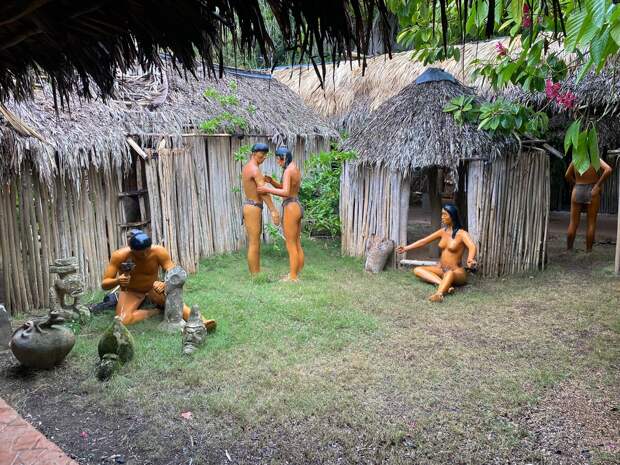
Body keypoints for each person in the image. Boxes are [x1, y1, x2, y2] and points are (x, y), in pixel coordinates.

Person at [101, 230, 216, 329]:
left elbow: (174, 273)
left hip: (153, 288)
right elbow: (104, 284)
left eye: (148, 250)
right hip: (131, 291)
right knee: (123, 320)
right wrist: (117, 281)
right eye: (141, 253)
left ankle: (202, 321)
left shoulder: (159, 252)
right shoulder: (119, 256)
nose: (145, 255)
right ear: (132, 250)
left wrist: (165, 283)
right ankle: (155, 311)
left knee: (173, 298)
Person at [396, 204, 476, 302]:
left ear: (453, 216)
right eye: (442, 214)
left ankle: (439, 294)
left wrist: (470, 259)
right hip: (441, 270)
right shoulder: (443, 231)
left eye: (445, 215)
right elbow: (423, 241)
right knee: (418, 270)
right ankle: (445, 285)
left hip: (456, 272)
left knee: (449, 273)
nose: (442, 217)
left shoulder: (462, 234)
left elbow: (472, 246)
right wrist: (406, 248)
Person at [257, 147, 304, 282]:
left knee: (290, 243)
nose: (278, 163)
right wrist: (272, 182)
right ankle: (296, 271)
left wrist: (267, 188)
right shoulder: (294, 167)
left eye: (278, 160)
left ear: (282, 158)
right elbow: (286, 188)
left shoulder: (288, 171)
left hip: (291, 207)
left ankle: (293, 277)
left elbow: (285, 192)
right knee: (296, 242)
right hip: (297, 206)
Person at [241, 143, 281, 275]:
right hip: (253, 207)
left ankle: (256, 272)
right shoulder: (254, 170)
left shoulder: (248, 167)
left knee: (254, 241)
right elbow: (262, 191)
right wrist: (273, 210)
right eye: (261, 155)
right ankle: (255, 275)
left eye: (265, 156)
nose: (263, 158)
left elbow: (256, 186)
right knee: (254, 243)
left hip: (250, 206)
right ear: (254, 153)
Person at [565, 159, 612, 252]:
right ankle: (588, 251)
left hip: (577, 188)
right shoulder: (594, 158)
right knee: (591, 223)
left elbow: (567, 175)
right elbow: (608, 169)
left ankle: (569, 249)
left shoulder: (576, 159)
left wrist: (575, 184)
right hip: (592, 190)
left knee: (573, 223)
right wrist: (598, 185)